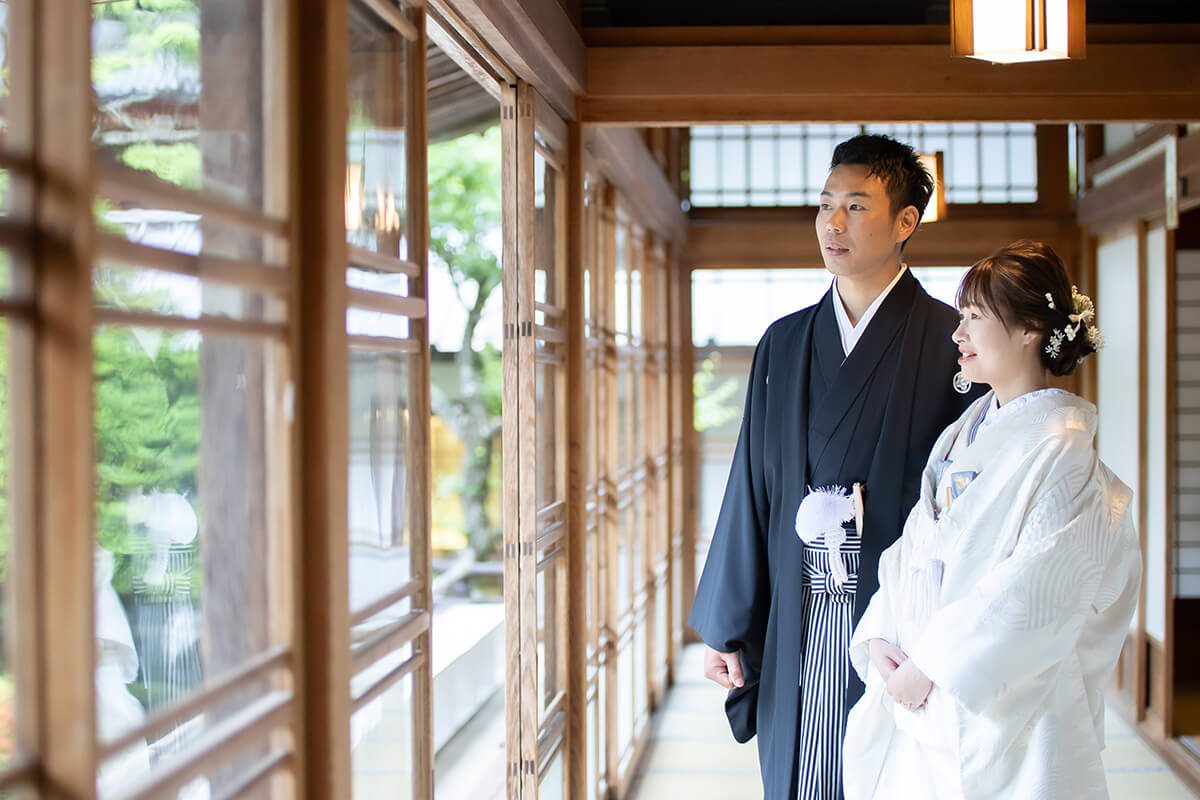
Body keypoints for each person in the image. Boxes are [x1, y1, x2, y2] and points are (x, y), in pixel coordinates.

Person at [687, 134, 983, 800]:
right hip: (795, 606)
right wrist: (729, 623)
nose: (833, 223)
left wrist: (948, 643)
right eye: (825, 205)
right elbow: (751, 489)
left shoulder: (950, 341)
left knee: (887, 772)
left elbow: (971, 501)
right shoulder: (785, 342)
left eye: (855, 205)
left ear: (907, 222)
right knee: (802, 768)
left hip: (899, 616)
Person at [843, 240, 1141, 800]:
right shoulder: (965, 430)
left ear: (1030, 328)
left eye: (974, 317)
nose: (958, 335)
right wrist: (883, 632)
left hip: (1004, 713)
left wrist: (930, 665)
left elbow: (1035, 589)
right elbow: (915, 546)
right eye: (962, 317)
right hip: (923, 686)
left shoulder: (1063, 451)